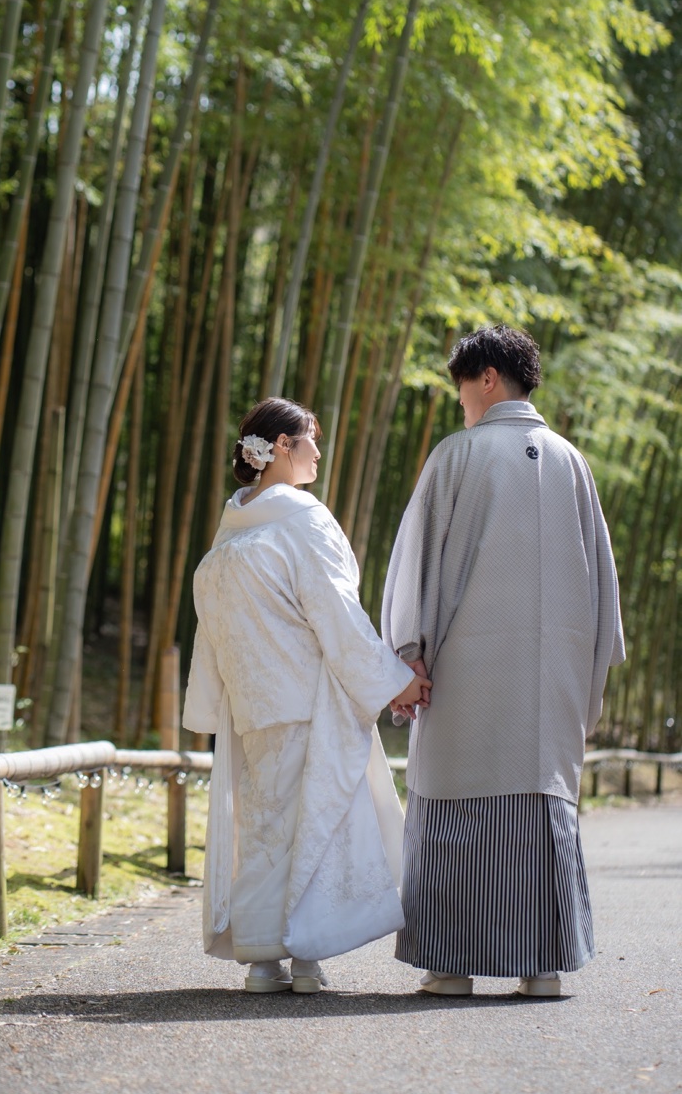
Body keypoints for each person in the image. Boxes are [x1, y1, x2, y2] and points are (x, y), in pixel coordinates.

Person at [381, 325, 625, 999]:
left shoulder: (457, 454)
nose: (460, 400)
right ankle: (541, 965)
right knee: (540, 805)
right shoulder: (570, 460)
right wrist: (588, 673)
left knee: (456, 808)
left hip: (466, 676)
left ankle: (450, 964)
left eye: (461, 385)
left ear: (486, 377)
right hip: (552, 682)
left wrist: (407, 655)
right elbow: (603, 589)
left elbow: (415, 567)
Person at [183, 396, 429, 994]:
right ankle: (307, 956)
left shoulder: (232, 525)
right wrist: (397, 680)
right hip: (305, 699)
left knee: (264, 829)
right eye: (311, 439)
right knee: (315, 822)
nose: (319, 451)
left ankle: (263, 959)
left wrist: (219, 698)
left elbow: (212, 623)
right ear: (283, 447)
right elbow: (337, 614)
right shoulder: (302, 518)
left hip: (253, 705)